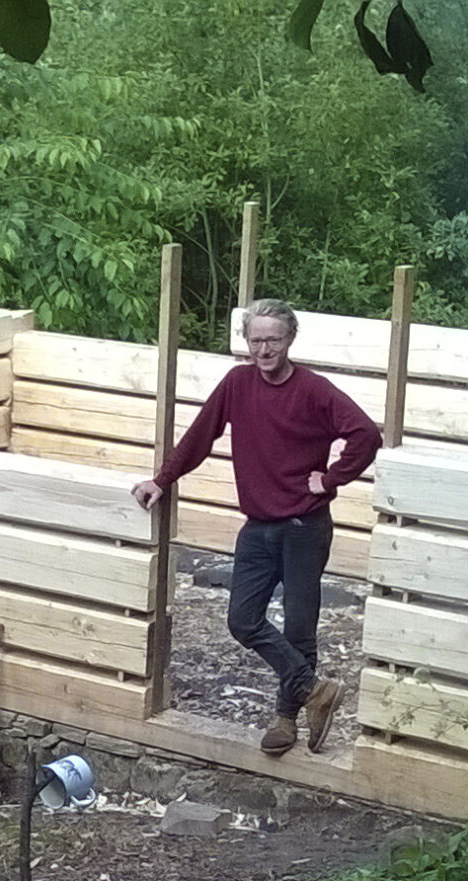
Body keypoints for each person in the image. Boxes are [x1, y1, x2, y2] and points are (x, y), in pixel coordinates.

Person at [131, 298, 382, 757]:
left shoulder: (314, 391)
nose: (264, 350)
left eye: (274, 340)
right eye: (256, 340)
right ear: (246, 341)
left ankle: (286, 717)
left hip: (305, 527)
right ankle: (315, 690)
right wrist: (162, 480)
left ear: (290, 339)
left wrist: (331, 479)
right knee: (243, 619)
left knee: (300, 627)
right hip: (258, 527)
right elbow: (199, 437)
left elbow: (366, 434)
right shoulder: (237, 384)